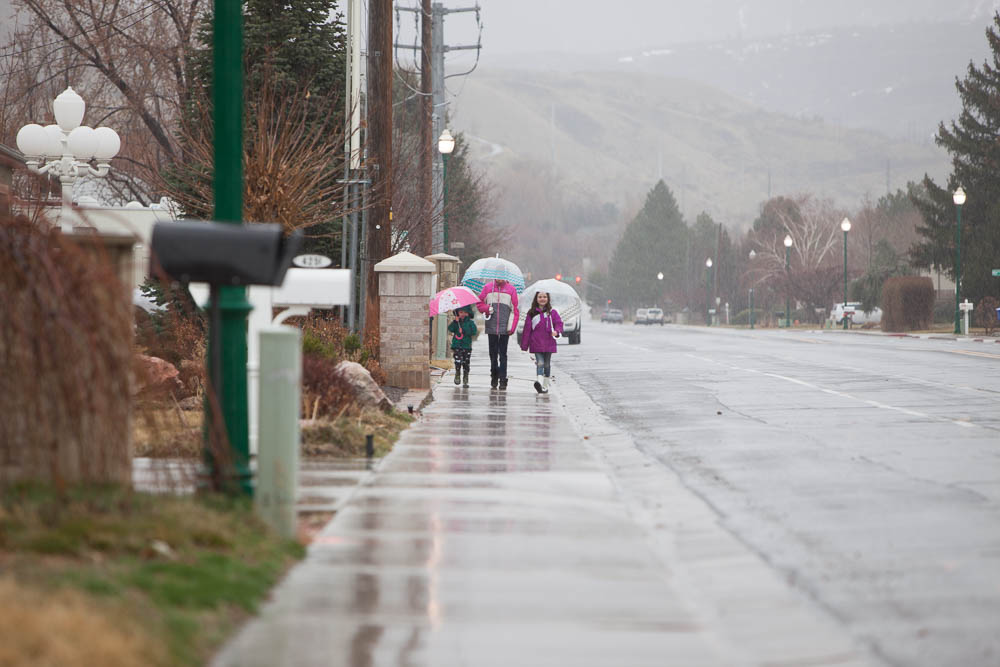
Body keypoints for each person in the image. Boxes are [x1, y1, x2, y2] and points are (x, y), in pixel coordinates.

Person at [477, 278, 519, 390]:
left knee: (503, 354)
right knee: (493, 353)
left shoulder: (511, 290)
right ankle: (494, 374)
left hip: (505, 328)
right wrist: (486, 308)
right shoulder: (487, 288)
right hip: (491, 326)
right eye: (498, 276)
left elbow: (515, 310)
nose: (500, 279)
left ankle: (503, 378)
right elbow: (479, 303)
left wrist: (512, 327)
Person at [519, 291, 563, 394]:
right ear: (536, 299)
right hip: (536, 342)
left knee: (547, 365)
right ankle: (539, 382)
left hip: (549, 343)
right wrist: (524, 345)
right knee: (540, 363)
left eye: (544, 297)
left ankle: (545, 386)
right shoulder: (532, 313)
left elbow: (559, 324)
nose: (542, 299)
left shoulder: (553, 312)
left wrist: (556, 332)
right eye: (540, 297)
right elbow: (527, 329)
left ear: (548, 299)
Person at [447, 306, 477, 387]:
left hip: (466, 346)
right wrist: (455, 322)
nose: (463, 314)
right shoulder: (456, 322)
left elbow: (474, 332)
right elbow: (450, 329)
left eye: (465, 312)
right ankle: (457, 374)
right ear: (457, 313)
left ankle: (466, 376)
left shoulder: (470, 323)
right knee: (457, 361)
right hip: (457, 345)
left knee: (466, 362)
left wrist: (464, 330)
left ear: (468, 313)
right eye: (461, 312)